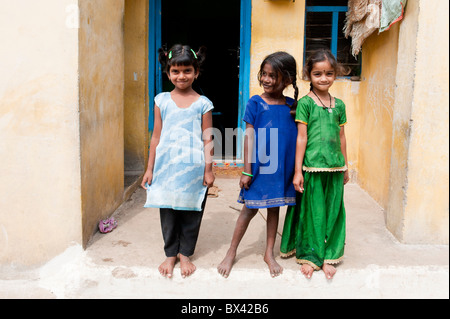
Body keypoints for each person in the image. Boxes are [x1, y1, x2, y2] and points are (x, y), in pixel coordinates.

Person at [217, 52, 299, 278]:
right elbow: (248, 138)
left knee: (274, 209)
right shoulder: (255, 102)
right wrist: (247, 170)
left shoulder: (294, 106)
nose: (267, 79)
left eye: (273, 75)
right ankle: (231, 251)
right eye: (264, 74)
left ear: (288, 79)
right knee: (249, 209)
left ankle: (268, 253)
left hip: (281, 170)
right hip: (260, 167)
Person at [141, 44, 214, 279]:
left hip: (193, 169)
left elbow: (208, 138)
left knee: (192, 211)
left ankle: (185, 254)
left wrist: (209, 170)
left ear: (196, 72)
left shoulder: (203, 103)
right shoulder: (161, 100)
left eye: (187, 71)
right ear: (168, 72)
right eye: (175, 71)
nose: (181, 76)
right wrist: (150, 169)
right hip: (166, 167)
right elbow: (156, 136)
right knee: (168, 211)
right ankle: (170, 253)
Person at [280, 49, 349, 280]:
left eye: (329, 73)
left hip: (335, 167)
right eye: (318, 73)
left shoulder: (339, 105)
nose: (324, 78)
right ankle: (311, 256)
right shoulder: (306, 104)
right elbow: (302, 137)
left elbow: (341, 137)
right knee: (313, 213)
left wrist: (345, 166)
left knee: (333, 211)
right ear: (309, 75)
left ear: (335, 75)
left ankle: (330, 255)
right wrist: (297, 171)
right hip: (312, 167)